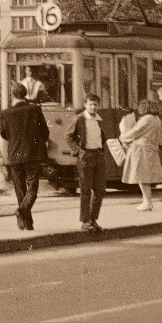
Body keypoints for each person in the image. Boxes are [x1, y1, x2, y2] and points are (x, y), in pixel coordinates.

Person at [0, 82, 50, 230]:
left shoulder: (6, 113)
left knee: (19, 189)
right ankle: (22, 212)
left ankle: (25, 222)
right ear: (25, 94)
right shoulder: (34, 109)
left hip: (15, 155)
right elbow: (45, 132)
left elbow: (3, 134)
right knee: (32, 188)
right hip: (33, 154)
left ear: (12, 95)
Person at [67, 93, 106, 232]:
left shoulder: (98, 119)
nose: (93, 107)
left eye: (95, 104)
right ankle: (85, 221)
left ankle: (93, 219)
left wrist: (102, 151)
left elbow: (101, 137)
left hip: (98, 156)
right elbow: (69, 137)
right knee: (85, 190)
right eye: (90, 104)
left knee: (100, 190)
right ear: (85, 105)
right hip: (86, 156)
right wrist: (79, 151)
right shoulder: (79, 120)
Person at [120, 98, 162, 210]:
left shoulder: (146, 119)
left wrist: (123, 137)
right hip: (150, 149)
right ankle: (147, 201)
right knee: (144, 177)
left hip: (141, 150)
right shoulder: (156, 119)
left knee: (142, 177)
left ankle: (147, 202)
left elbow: (135, 131)